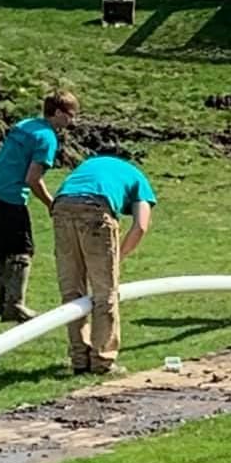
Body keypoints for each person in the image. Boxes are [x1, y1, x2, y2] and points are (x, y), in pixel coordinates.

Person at [52, 155, 156, 376]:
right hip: (95, 209)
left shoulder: (92, 167)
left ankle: (79, 359)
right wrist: (118, 258)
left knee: (71, 290)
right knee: (105, 293)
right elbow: (141, 226)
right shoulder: (140, 183)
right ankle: (102, 361)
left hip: (62, 204)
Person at [0, 90, 79, 322]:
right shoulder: (46, 138)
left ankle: (3, 302)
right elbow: (33, 179)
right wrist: (51, 203)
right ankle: (15, 305)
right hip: (11, 197)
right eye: (70, 115)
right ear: (57, 113)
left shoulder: (26, 124)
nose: (72, 121)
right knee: (21, 251)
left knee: (1, 249)